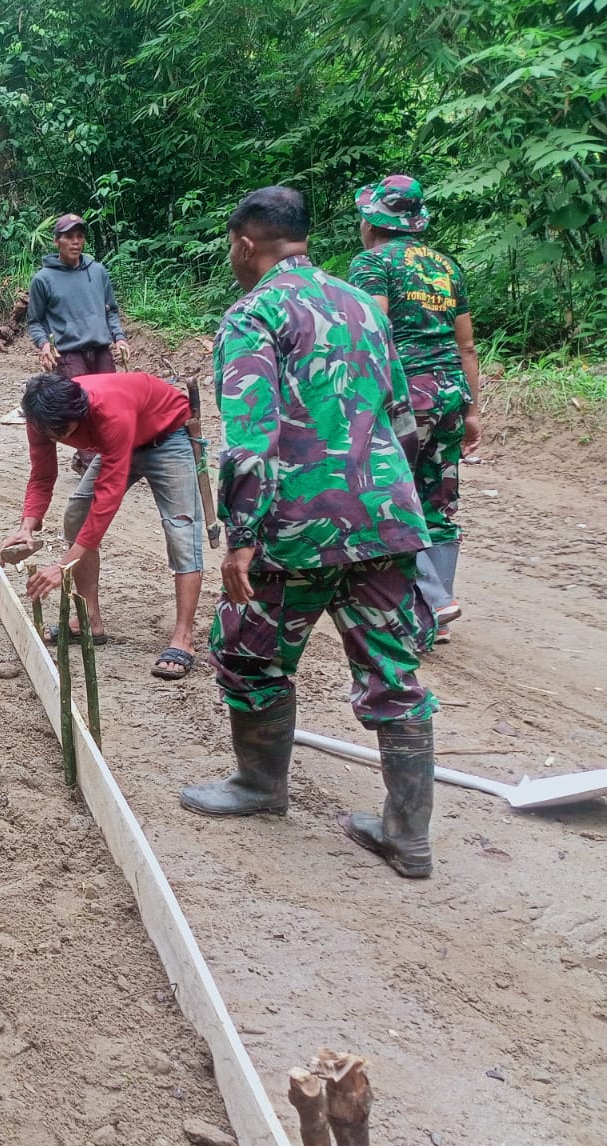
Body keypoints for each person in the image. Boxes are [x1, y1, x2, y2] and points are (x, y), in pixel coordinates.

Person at [182, 186, 438, 881]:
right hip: (384, 518)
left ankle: (260, 785)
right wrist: (390, 502)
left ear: (245, 244)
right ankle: (408, 835)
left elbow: (250, 436)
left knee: (249, 654)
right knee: (393, 672)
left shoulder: (255, 312)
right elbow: (403, 416)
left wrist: (241, 534)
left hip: (297, 527)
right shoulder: (361, 304)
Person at [349, 175, 481, 644]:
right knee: (436, 501)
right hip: (450, 394)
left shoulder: (371, 263)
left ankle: (432, 600)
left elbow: (374, 333)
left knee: (388, 495)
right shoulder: (446, 266)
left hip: (405, 398)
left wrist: (360, 404)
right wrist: (472, 412)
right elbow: (466, 346)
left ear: (372, 222)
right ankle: (436, 613)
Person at [12, 372, 205, 680]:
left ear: (81, 413)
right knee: (77, 514)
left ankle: (183, 638)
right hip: (116, 442)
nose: (61, 439)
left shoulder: (109, 410)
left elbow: (107, 499)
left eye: (67, 432)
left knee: (181, 530)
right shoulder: (40, 417)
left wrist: (63, 565)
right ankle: (89, 620)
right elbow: (42, 474)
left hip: (167, 436)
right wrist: (27, 524)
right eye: (54, 435)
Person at [4, 213, 129, 425]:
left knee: (109, 408)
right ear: (56, 241)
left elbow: (111, 311)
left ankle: (102, 447)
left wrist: (120, 338)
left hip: (101, 352)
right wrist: (44, 345)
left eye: (80, 236)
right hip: (69, 356)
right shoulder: (43, 279)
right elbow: (35, 322)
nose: (76, 242)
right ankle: (82, 449)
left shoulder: (98, 271)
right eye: (69, 237)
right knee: (79, 410)